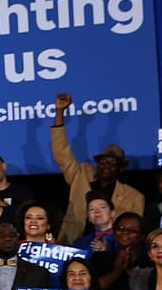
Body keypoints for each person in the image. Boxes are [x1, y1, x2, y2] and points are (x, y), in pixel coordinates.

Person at [50, 92, 143, 244]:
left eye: (113, 163)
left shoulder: (134, 197)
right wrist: (60, 112)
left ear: (120, 169)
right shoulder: (80, 175)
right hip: (74, 243)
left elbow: (135, 232)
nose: (106, 165)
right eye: (103, 161)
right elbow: (61, 153)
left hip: (112, 251)